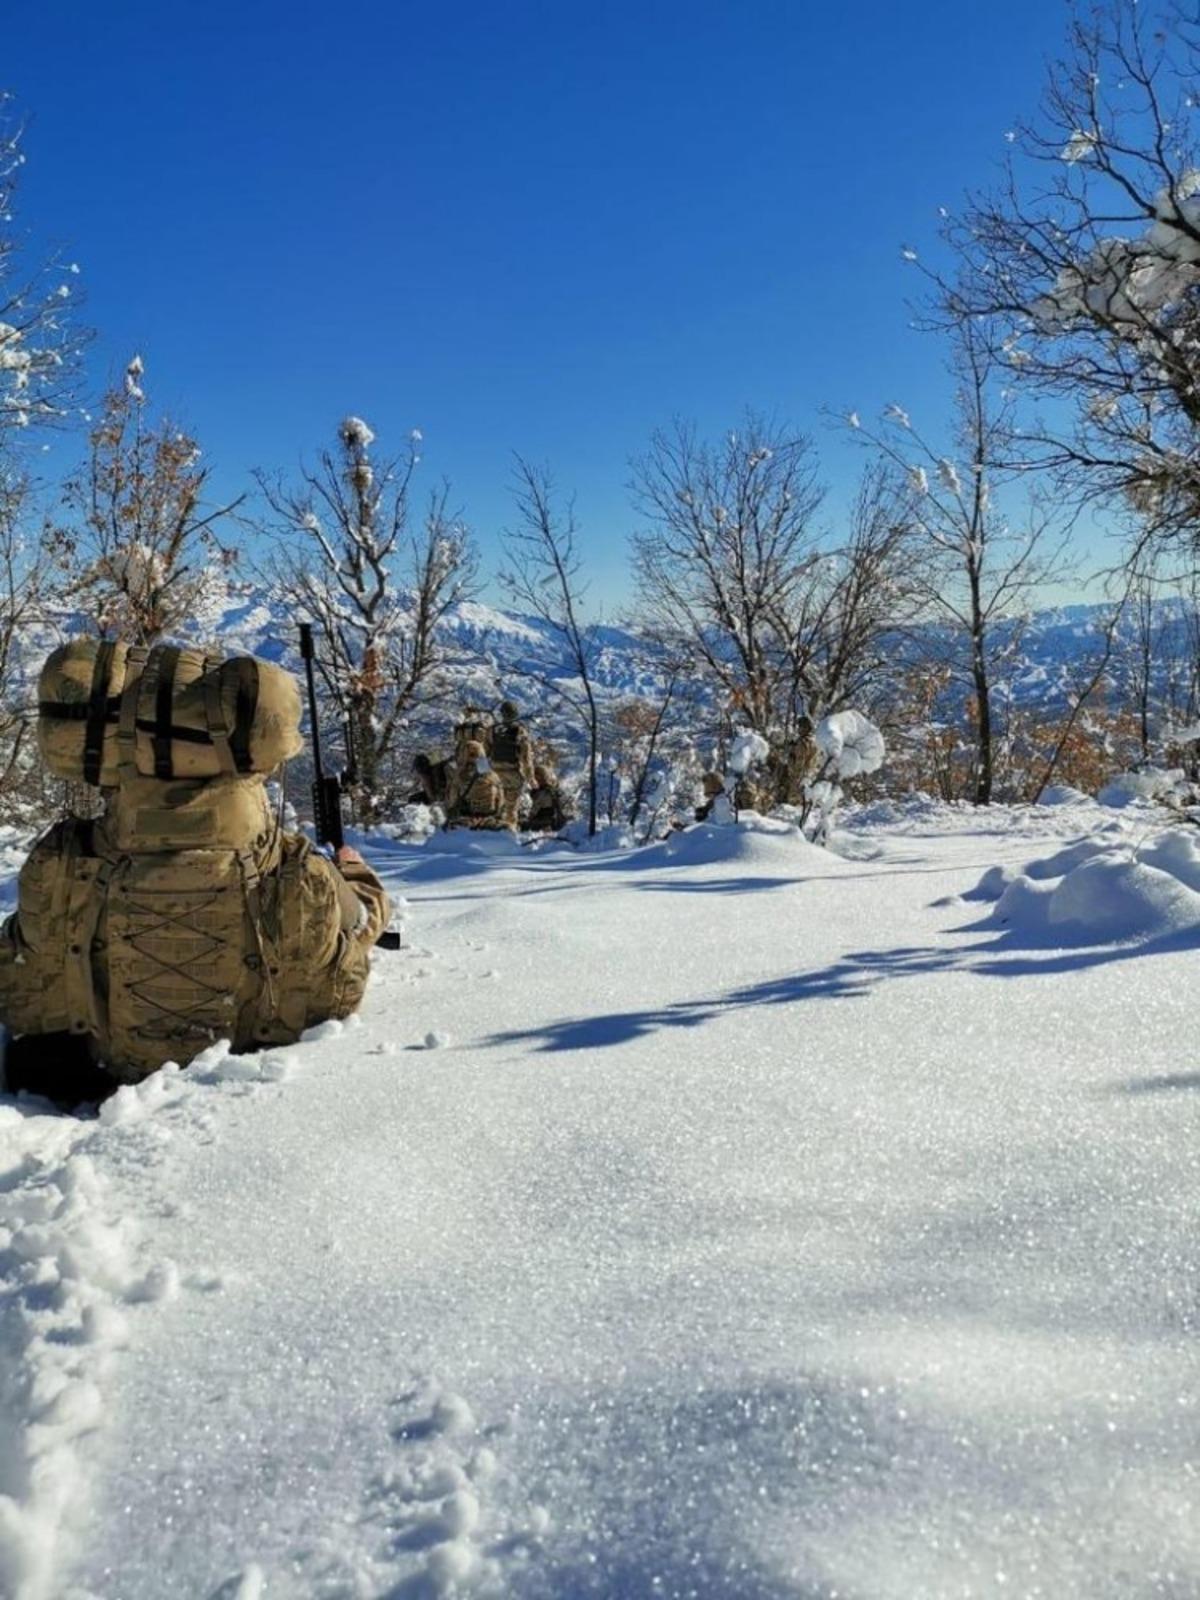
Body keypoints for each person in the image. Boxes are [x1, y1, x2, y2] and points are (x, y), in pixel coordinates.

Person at [0, 638, 390, 1105]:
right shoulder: (295, 872)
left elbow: (21, 992)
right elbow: (347, 964)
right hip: (243, 1100)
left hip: (96, 1089)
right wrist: (355, 874)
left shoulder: (62, 863)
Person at [489, 700, 536, 828]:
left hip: (494, 774)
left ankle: (492, 830)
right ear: (515, 714)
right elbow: (526, 758)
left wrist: (483, 774)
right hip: (512, 773)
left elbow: (484, 753)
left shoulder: (493, 730)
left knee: (496, 804)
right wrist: (531, 778)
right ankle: (509, 832)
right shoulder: (520, 731)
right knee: (511, 807)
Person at [445, 740, 507, 829]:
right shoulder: (491, 773)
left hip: (469, 813)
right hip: (490, 812)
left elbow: (453, 798)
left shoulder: (461, 774)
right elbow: (500, 795)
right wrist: (498, 812)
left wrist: (451, 811)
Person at [526, 763, 573, 833]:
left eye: (536, 778)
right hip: (556, 819)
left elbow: (535, 808)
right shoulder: (554, 789)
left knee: (524, 825)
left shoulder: (542, 792)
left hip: (546, 819)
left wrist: (529, 818)